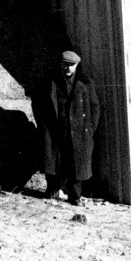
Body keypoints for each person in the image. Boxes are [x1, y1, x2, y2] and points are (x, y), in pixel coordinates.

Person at [32, 50, 100, 206]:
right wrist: (42, 124)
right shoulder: (48, 80)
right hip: (54, 128)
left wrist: (90, 128)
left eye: (72, 65)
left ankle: (75, 196)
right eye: (65, 64)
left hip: (79, 130)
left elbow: (95, 106)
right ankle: (52, 190)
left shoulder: (85, 82)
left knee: (76, 165)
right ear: (60, 63)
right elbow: (37, 103)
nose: (68, 68)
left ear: (77, 65)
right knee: (53, 161)